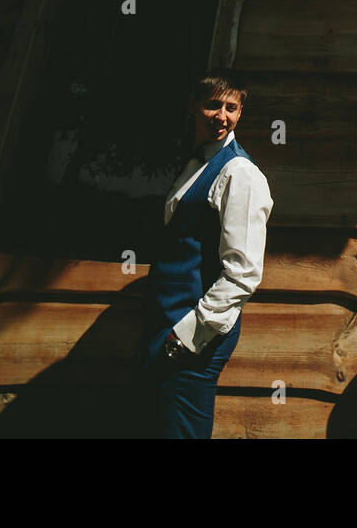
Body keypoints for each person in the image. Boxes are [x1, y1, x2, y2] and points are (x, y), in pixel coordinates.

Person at [137, 69, 273, 438]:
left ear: (241, 113)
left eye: (232, 107)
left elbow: (242, 273)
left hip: (194, 334)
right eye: (213, 105)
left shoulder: (240, 173)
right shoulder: (196, 164)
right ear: (193, 107)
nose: (222, 116)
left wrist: (187, 335)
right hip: (167, 326)